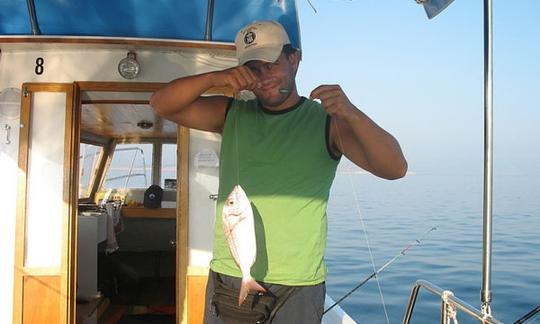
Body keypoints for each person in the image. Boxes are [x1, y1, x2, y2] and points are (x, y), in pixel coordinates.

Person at [150, 20, 407, 324]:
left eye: (271, 65)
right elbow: (161, 104)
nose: (263, 77)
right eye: (253, 69)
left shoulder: (327, 123)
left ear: (294, 59)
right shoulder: (231, 113)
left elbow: (395, 168)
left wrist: (351, 112)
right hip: (232, 276)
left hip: (299, 285)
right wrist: (217, 78)